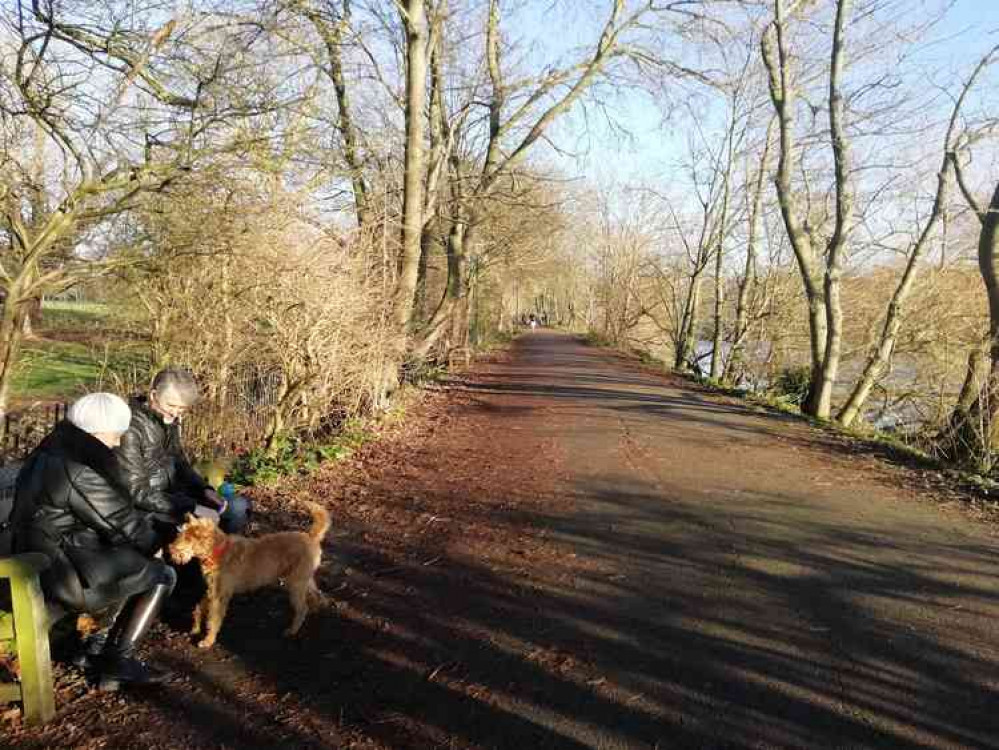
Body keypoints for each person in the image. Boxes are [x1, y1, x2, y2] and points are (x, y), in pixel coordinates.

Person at [10, 393, 176, 690]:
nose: (116, 443)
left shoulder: (52, 450)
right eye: (116, 435)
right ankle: (117, 663)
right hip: (58, 571)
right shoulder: (78, 468)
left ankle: (94, 649)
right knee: (161, 573)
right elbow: (122, 520)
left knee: (130, 559)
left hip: (39, 552)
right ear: (98, 431)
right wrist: (160, 544)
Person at [115, 368, 250, 543]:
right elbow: (137, 492)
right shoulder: (130, 429)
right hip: (150, 508)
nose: (175, 413)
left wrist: (204, 489)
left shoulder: (168, 421)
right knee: (212, 520)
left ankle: (219, 556)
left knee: (238, 506)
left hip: (178, 496)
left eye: (181, 409)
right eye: (171, 405)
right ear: (153, 395)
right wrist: (193, 507)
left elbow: (181, 463)